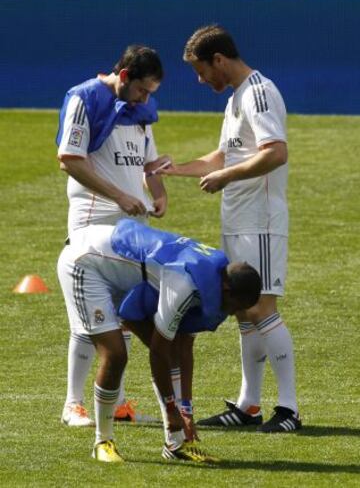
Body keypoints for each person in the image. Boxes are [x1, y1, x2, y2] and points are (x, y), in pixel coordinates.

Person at [152, 25, 301, 433]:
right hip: (238, 220)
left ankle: (289, 409)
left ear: (219, 59)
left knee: (262, 309)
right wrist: (178, 169)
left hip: (262, 222)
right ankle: (248, 404)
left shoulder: (259, 92)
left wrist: (227, 177)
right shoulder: (236, 99)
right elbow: (223, 156)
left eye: (202, 71)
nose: (201, 80)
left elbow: (276, 153)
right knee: (244, 313)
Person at [57, 218, 261, 462]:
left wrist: (186, 409)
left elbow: (184, 346)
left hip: (125, 272)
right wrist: (172, 408)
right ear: (227, 291)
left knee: (172, 350)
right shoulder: (184, 283)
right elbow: (158, 352)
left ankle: (175, 445)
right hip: (85, 261)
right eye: (234, 308)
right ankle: (103, 442)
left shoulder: (214, 278)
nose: (230, 315)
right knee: (115, 355)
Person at [56, 45, 167, 427]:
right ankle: (73, 404)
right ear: (123, 76)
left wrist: (158, 192)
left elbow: (149, 163)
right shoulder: (84, 98)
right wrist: (119, 195)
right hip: (93, 222)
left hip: (133, 228)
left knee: (125, 315)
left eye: (151, 93)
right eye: (142, 91)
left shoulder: (140, 112)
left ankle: (117, 403)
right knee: (89, 317)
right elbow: (69, 158)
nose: (145, 99)